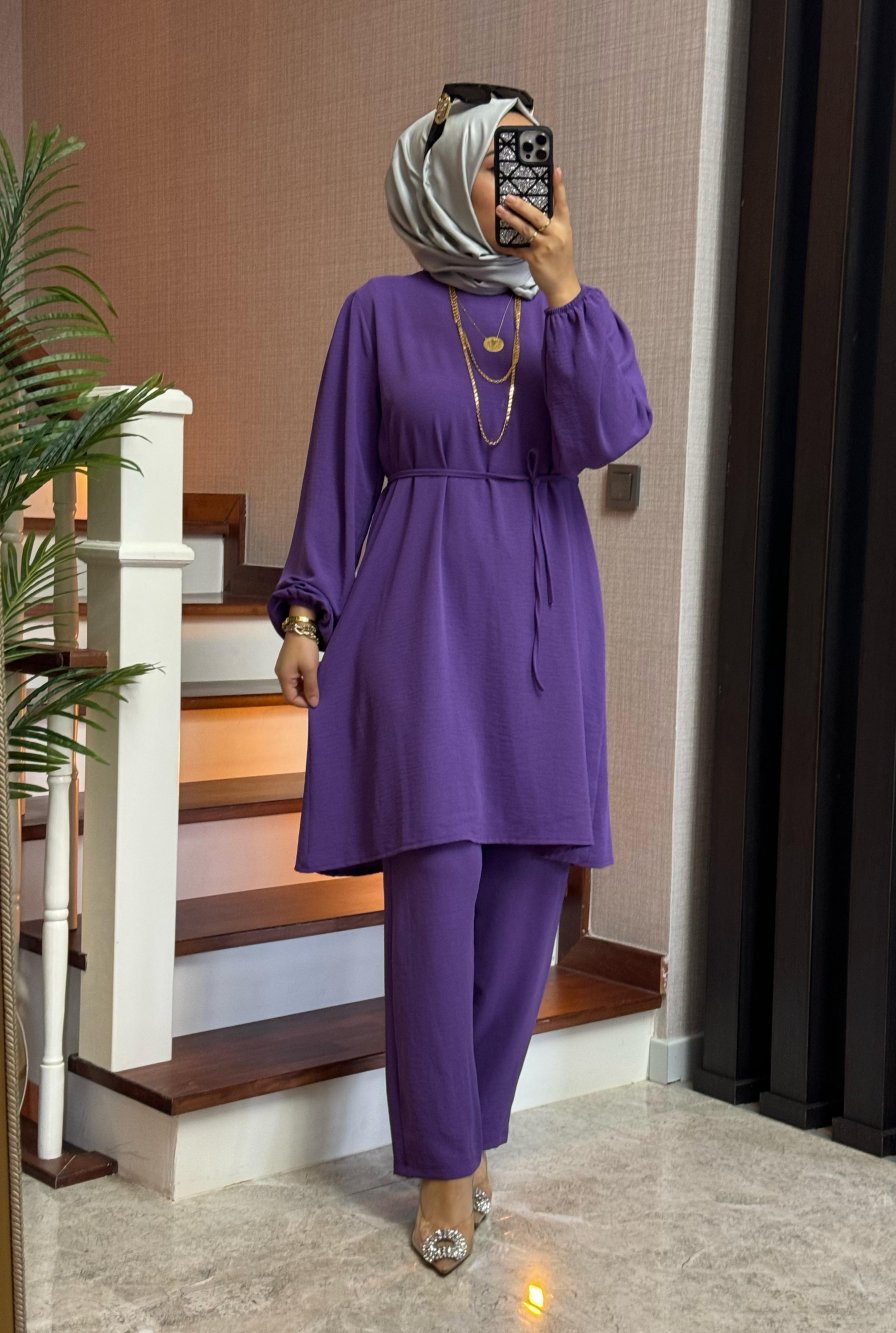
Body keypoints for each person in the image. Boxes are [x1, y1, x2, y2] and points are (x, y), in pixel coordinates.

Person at [267, 82, 653, 1276]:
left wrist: (566, 285)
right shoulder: (377, 314)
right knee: (435, 894)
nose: (522, 183)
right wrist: (304, 613)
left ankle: (472, 1127)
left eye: (533, 160)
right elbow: (340, 470)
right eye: (499, 160)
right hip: (419, 621)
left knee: (529, 896)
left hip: (543, 625)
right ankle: (443, 1160)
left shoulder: (567, 315)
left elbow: (610, 430)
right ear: (443, 177)